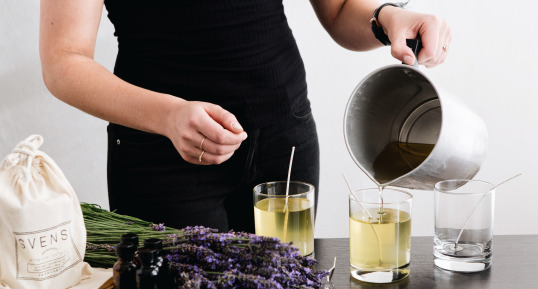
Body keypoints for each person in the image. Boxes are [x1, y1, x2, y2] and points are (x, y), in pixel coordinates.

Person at [39, 1, 451, 233]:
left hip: (284, 140)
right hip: (160, 155)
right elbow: (63, 60)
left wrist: (388, 17)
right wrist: (168, 116)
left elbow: (341, 10)